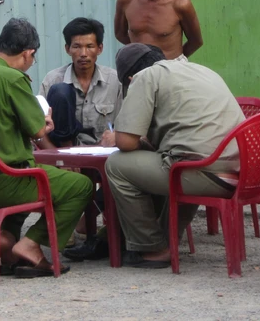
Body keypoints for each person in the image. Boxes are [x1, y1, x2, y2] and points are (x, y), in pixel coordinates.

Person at [0, 17, 93, 278]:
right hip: (6, 180)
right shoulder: (13, 78)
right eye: (33, 57)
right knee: (81, 186)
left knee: (28, 174)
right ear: (28, 53)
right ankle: (31, 244)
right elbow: (38, 130)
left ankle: (8, 247)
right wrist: (45, 123)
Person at [105, 43, 244, 269]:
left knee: (117, 164)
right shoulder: (200, 70)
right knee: (177, 157)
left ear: (130, 79)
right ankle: (169, 241)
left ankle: (151, 248)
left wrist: (121, 136)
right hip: (240, 171)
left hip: (203, 172)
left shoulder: (144, 77)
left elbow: (125, 142)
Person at [39, 17, 121, 147]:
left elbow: (127, 126)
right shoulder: (52, 80)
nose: (83, 54)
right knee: (61, 91)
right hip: (63, 153)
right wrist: (58, 156)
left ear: (99, 49)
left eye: (89, 46)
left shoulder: (115, 81)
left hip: (104, 154)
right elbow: (38, 129)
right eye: (77, 46)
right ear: (67, 49)